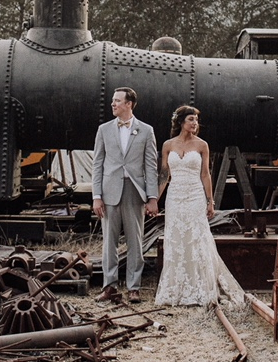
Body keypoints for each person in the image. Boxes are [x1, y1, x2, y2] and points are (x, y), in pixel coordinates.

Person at [154, 105, 245, 308]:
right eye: (191, 120)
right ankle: (175, 289)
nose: (195, 124)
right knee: (176, 238)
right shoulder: (168, 145)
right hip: (175, 196)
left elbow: (205, 174)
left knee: (197, 237)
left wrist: (210, 200)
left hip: (195, 195)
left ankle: (200, 287)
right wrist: (154, 200)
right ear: (181, 123)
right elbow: (163, 175)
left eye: (196, 120)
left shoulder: (202, 145)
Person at [92, 86, 159, 304]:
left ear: (129, 104)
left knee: (135, 242)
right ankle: (109, 286)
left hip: (134, 192)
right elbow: (97, 165)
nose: (113, 104)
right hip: (109, 192)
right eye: (113, 100)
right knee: (109, 242)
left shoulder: (146, 131)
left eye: (117, 101)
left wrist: (152, 198)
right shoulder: (103, 130)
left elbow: (151, 166)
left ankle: (134, 287)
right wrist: (96, 196)